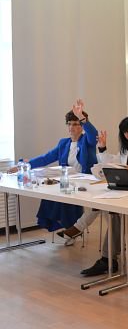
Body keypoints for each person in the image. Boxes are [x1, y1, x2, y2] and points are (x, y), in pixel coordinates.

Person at [80, 116, 128, 276]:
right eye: (124, 133)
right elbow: (113, 162)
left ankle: (108, 259)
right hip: (126, 189)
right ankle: (108, 259)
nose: (127, 135)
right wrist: (102, 148)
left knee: (117, 214)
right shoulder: (125, 149)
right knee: (114, 212)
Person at [17, 100, 98, 240]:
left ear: (81, 126)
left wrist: (82, 117)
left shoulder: (87, 141)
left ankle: (71, 229)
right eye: (70, 124)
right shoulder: (63, 143)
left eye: (76, 124)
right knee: (51, 192)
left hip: (86, 181)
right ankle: (64, 226)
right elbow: (46, 158)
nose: (72, 127)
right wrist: (26, 164)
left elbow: (93, 134)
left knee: (66, 192)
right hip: (68, 181)